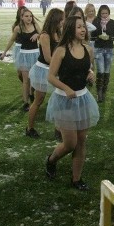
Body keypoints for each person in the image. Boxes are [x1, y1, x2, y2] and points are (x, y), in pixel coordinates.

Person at [44, 15, 100, 190]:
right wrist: (66, 88)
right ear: (70, 29)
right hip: (64, 100)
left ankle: (76, 179)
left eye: (84, 27)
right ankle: (51, 160)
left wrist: (91, 74)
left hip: (82, 99)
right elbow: (51, 77)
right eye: (79, 27)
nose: (83, 30)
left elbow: (86, 68)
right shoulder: (61, 50)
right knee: (70, 143)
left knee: (82, 141)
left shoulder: (88, 49)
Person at [26, 8, 64, 138]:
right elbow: (48, 58)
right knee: (39, 100)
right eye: (61, 20)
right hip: (43, 70)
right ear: (55, 20)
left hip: (54, 69)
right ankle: (29, 128)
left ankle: (58, 129)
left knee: (59, 100)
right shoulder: (45, 35)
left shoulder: (59, 33)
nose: (63, 22)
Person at [1, 7, 40, 112]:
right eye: (26, 16)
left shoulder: (36, 26)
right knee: (25, 81)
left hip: (36, 55)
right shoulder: (18, 28)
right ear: (22, 17)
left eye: (30, 16)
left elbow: (44, 36)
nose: (29, 18)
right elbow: (12, 40)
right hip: (24, 56)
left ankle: (31, 93)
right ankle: (25, 102)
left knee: (33, 79)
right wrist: (4, 52)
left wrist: (38, 34)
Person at [90, 4, 114, 102]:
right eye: (103, 13)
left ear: (109, 13)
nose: (105, 15)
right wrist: (98, 36)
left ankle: (104, 92)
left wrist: (109, 37)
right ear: (99, 13)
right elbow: (92, 36)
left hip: (109, 49)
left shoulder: (113, 23)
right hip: (99, 49)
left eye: (106, 13)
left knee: (107, 71)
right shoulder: (96, 22)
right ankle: (99, 93)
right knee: (100, 71)